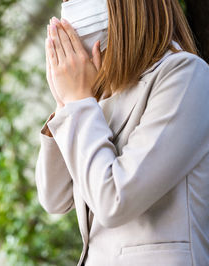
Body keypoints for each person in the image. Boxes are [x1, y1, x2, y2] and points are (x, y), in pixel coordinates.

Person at [34, 0, 209, 265]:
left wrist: (79, 102)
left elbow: (115, 200)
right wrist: (65, 104)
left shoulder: (185, 75)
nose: (69, 8)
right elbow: (55, 198)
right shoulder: (103, 92)